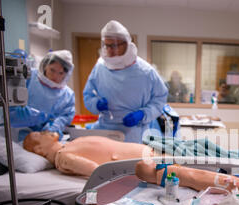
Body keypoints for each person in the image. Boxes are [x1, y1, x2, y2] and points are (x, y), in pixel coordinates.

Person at [83, 20, 169, 143]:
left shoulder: (145, 71)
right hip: (105, 129)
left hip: (134, 133)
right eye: (107, 46)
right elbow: (88, 95)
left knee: (130, 162)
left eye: (115, 45)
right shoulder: (100, 67)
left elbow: (160, 98)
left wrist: (142, 114)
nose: (111, 50)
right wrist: (95, 103)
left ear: (127, 44)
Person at [23, 131, 156, 177]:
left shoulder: (68, 146)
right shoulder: (63, 157)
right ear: (39, 150)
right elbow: (97, 171)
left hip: (148, 153)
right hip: (146, 160)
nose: (45, 132)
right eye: (40, 135)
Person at [9, 50, 75, 140]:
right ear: (45, 66)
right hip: (16, 133)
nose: (55, 76)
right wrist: (20, 112)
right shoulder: (29, 77)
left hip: (46, 137)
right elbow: (11, 102)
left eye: (61, 73)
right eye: (52, 70)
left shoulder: (68, 95)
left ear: (66, 74)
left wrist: (54, 127)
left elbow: (65, 116)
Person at [135, 160, 239, 196]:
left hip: (190, 178)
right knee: (212, 179)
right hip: (194, 177)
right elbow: (193, 176)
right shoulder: (163, 171)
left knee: (206, 178)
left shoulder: (160, 176)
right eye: (150, 161)